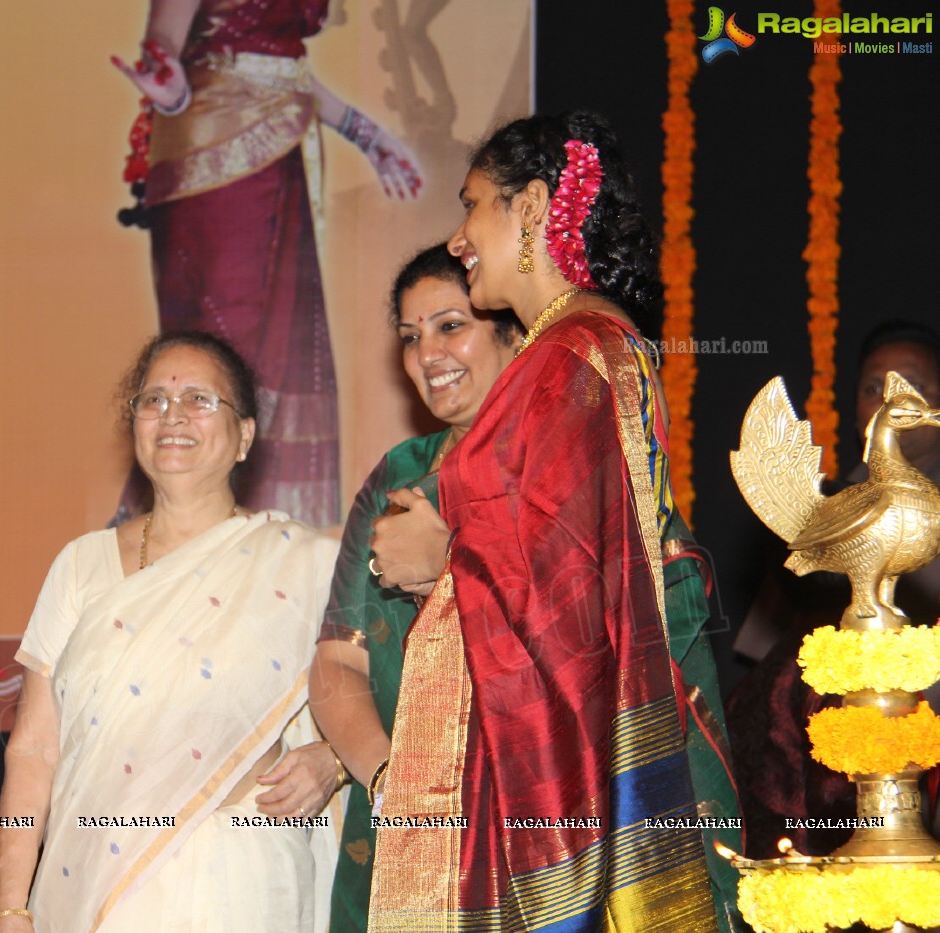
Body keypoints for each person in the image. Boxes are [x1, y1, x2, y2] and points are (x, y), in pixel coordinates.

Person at [366, 111, 721, 931]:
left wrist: (443, 558)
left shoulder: (570, 356)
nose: (457, 237)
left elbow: (564, 596)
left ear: (529, 207)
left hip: (556, 782)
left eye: (471, 204)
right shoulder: (578, 348)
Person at [0, 331, 343, 932]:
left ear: (245, 436)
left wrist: (334, 761)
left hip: (244, 880)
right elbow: (35, 747)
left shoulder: (305, 564)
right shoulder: (81, 565)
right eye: (152, 401)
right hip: (98, 883)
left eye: (200, 400)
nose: (171, 415)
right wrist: (9, 907)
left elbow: (394, 705)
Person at [111, 0, 422, 527]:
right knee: (224, 350)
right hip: (212, 168)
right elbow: (165, 44)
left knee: (281, 351)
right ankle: (180, 534)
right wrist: (172, 89)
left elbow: (286, 72)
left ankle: (268, 538)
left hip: (280, 159)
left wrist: (369, 136)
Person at [309, 244, 521, 933]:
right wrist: (387, 784)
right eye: (409, 335)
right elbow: (338, 660)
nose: (427, 351)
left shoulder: (567, 466)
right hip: (400, 830)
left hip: (535, 819)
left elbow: (607, 632)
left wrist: (453, 563)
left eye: (449, 325)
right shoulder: (400, 473)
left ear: (511, 333)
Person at [728, 319, 940, 855]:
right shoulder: (831, 507)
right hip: (813, 757)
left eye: (914, 386)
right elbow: (763, 657)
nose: (888, 398)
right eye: (873, 387)